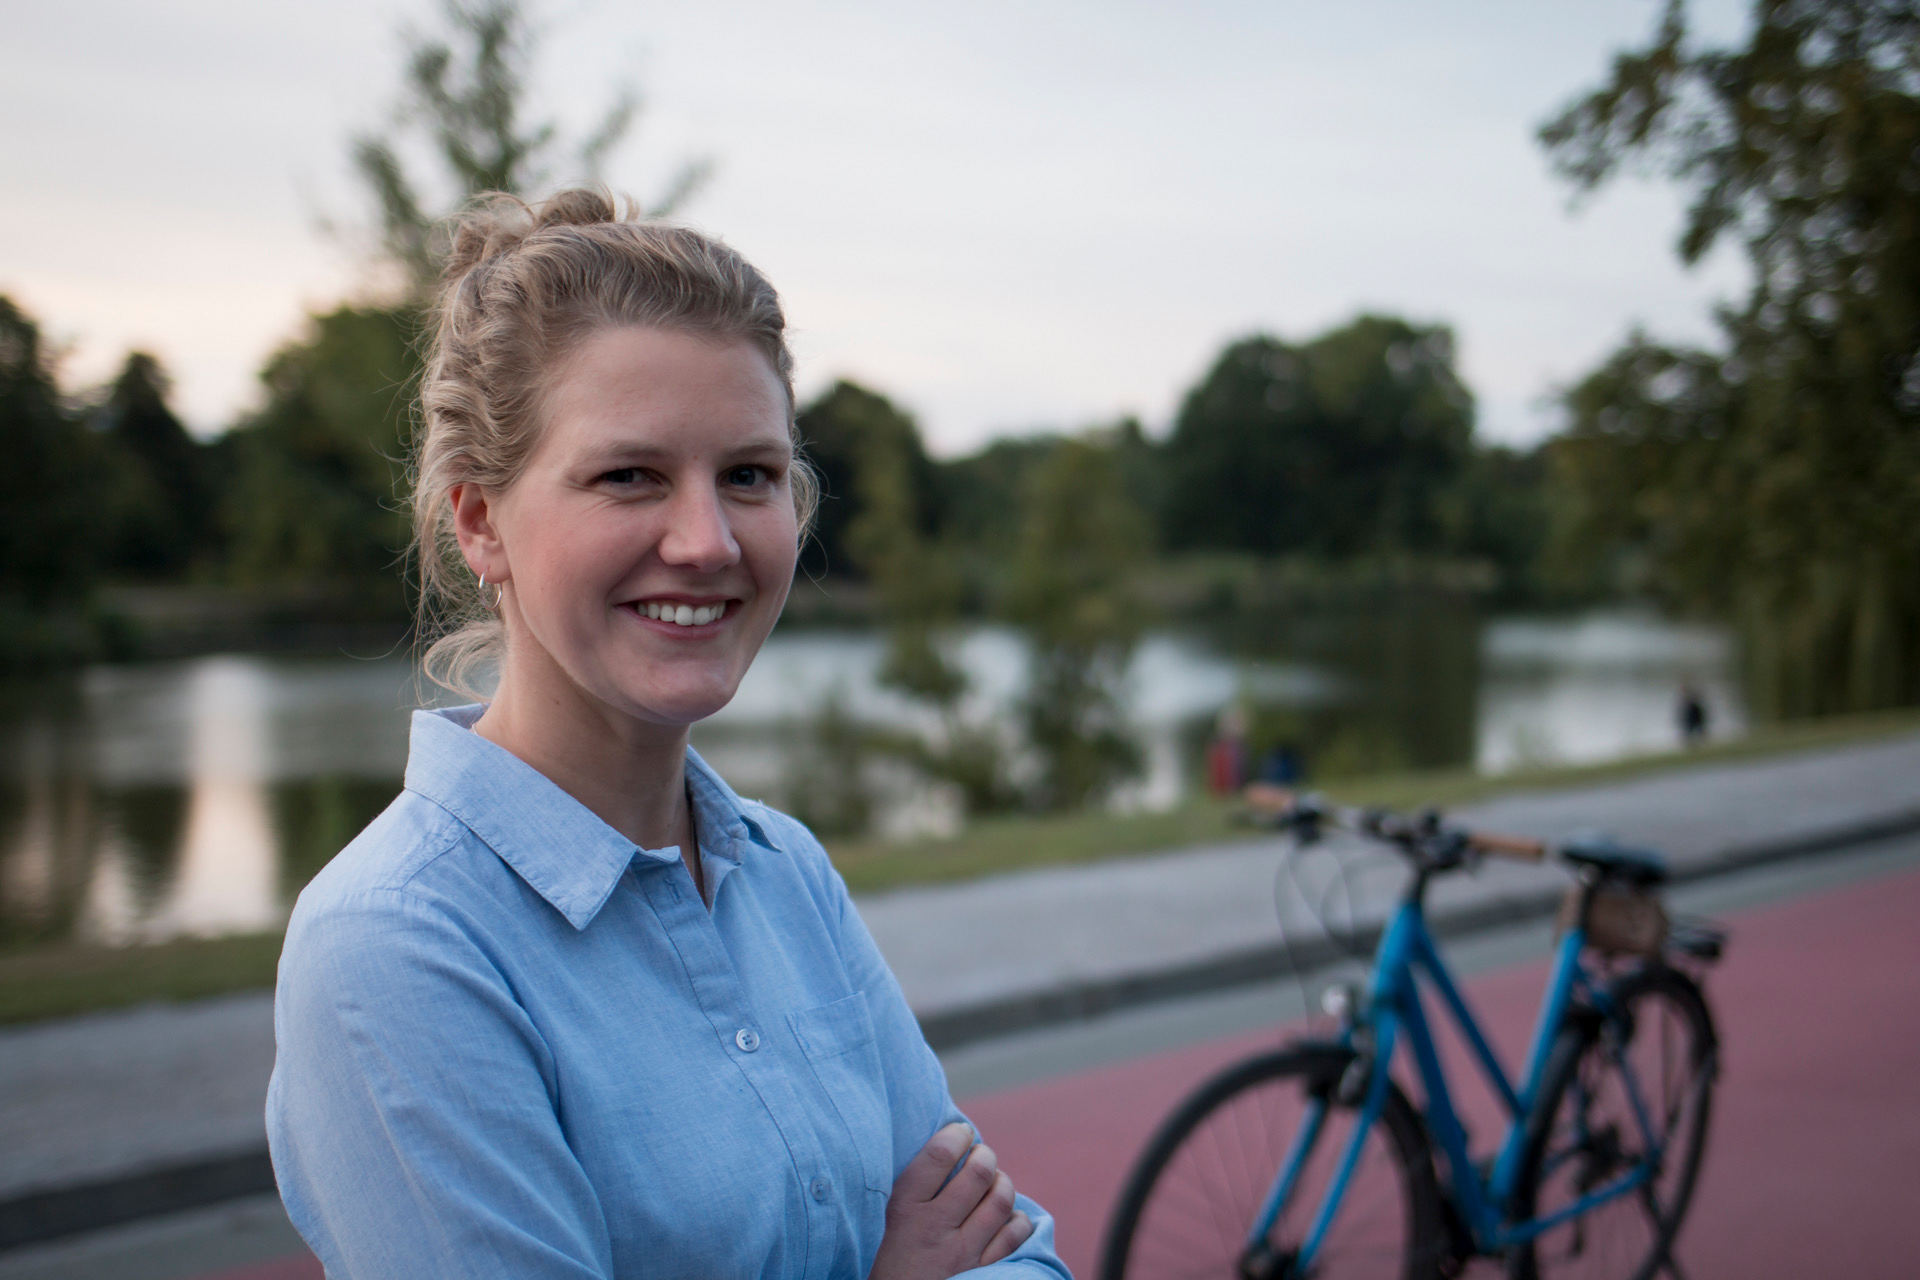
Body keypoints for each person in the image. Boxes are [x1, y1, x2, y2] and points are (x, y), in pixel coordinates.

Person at [266, 189, 1065, 1280]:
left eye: (750, 475)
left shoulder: (787, 870)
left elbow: (1019, 1252)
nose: (705, 540)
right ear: (480, 518)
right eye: (628, 475)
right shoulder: (397, 946)